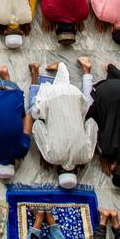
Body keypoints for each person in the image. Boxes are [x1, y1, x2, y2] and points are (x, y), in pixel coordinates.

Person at [26, 58, 96, 186]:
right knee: (33, 111)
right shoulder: (52, 157)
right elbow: (37, 126)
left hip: (74, 94)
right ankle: (35, 74)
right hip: (51, 95)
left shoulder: (86, 156)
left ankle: (75, 70)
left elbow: (91, 124)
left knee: (86, 104)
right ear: (58, 171)